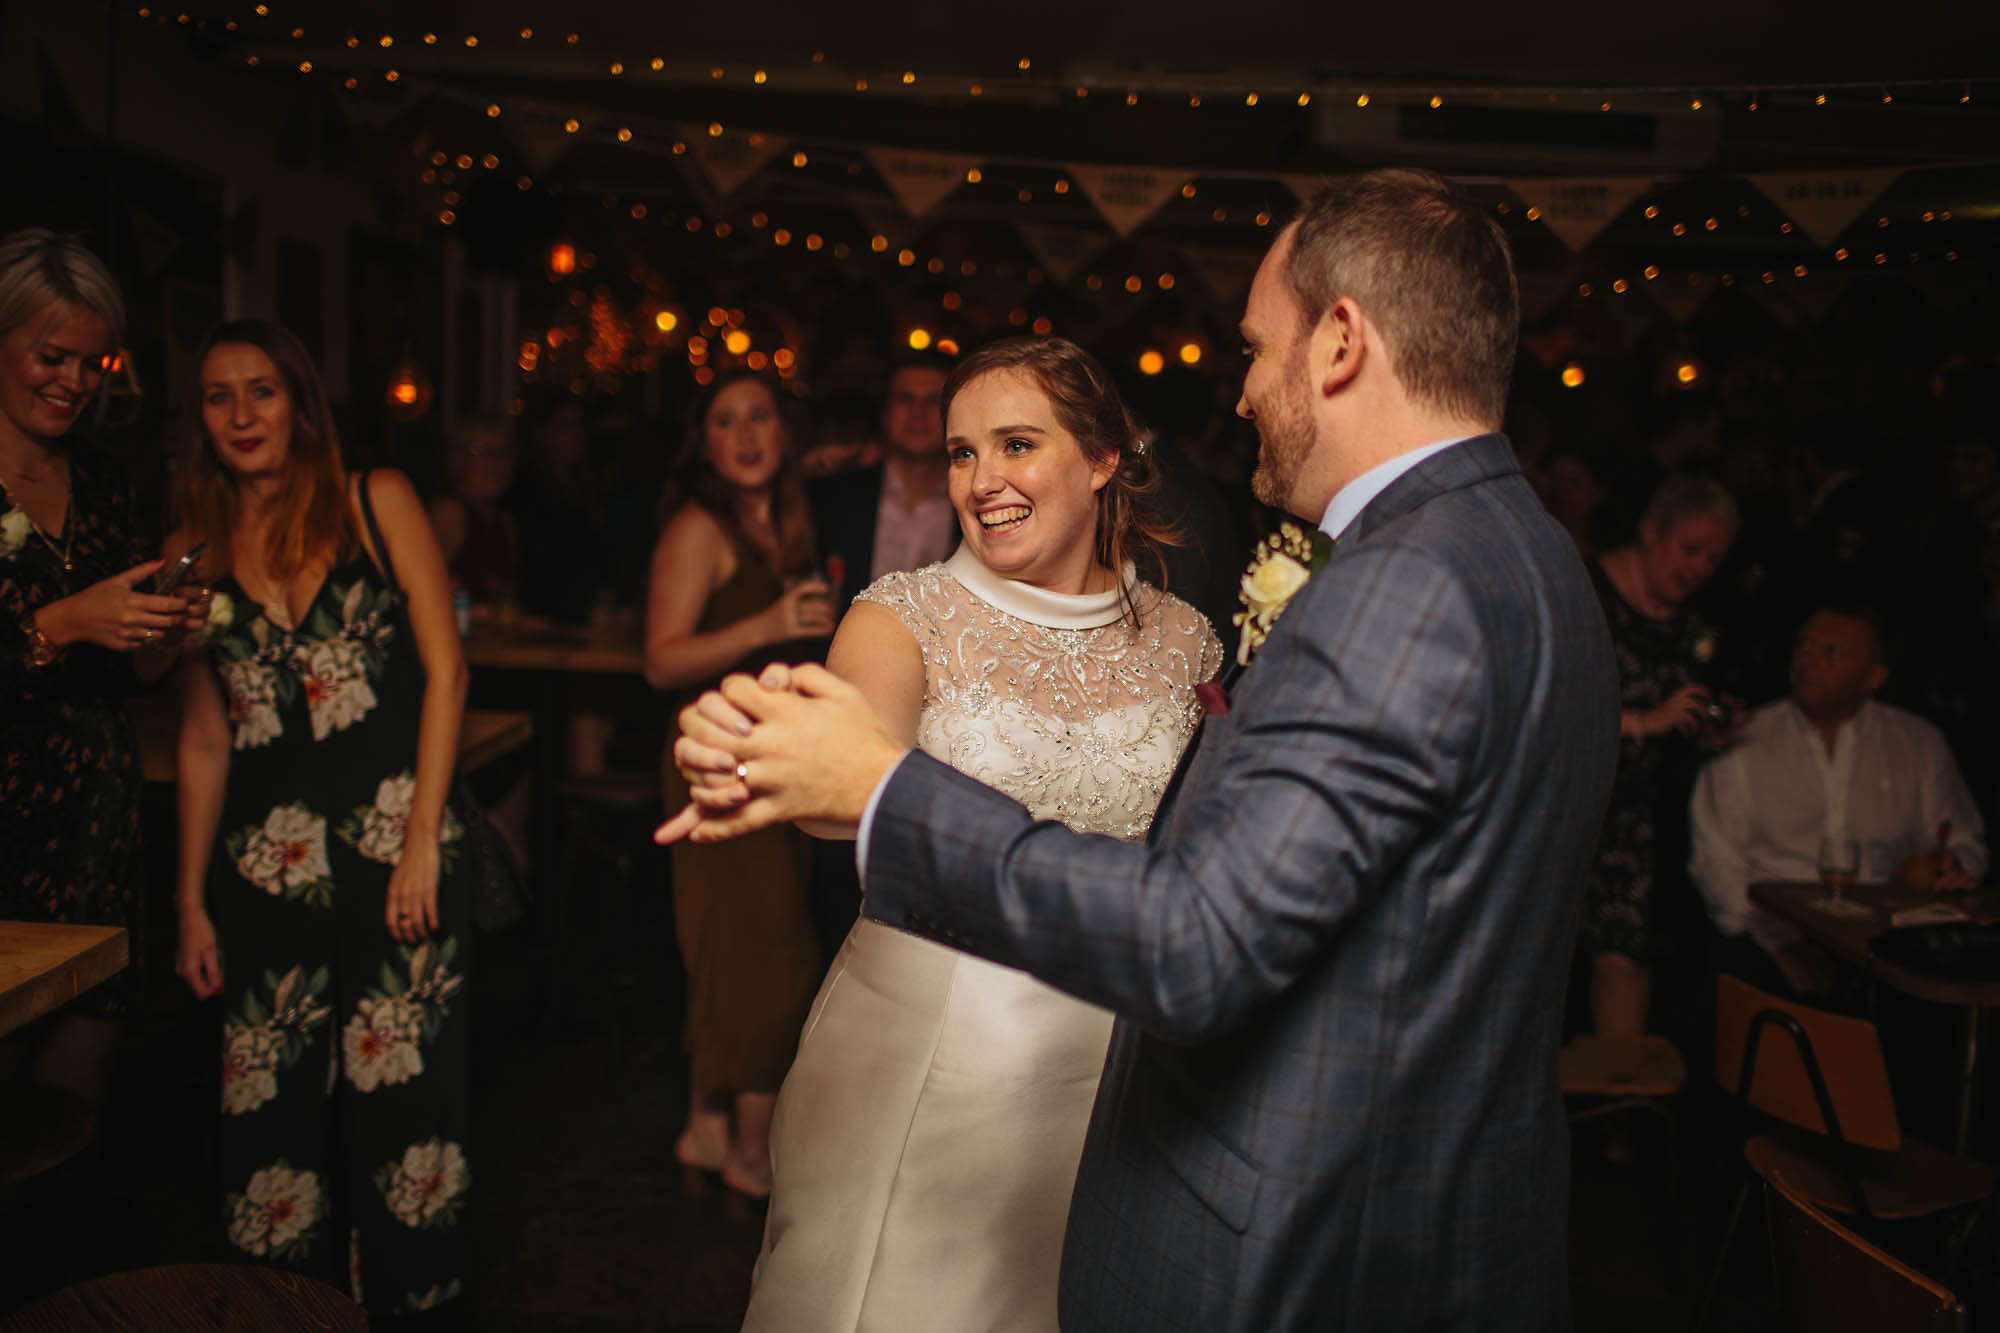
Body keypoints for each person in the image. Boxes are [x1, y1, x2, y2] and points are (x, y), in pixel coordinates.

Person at [665, 169, 1619, 1331]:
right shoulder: (1532, 554)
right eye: (963, 453)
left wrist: (879, 790)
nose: (1242, 390)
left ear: (1338, 343)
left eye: (1257, 349)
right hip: (1402, 1184)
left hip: (1321, 1210)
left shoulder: (1393, 590)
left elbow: (1202, 934)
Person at [741, 336, 1219, 1330]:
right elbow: (850, 783)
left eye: (1013, 444)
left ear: (1101, 459)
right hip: (921, 1059)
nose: (981, 480)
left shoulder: (1187, 641)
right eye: (962, 453)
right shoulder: (899, 615)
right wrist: (784, 758)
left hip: (1114, 1071)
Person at [171, 318, 473, 1318]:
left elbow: (446, 671)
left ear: (300, 405)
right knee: (267, 1138)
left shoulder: (372, 502)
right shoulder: (190, 550)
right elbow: (205, 736)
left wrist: (423, 837)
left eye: (262, 390)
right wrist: (189, 901)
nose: (242, 413)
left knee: (406, 1130)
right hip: (262, 874)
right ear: (200, 418)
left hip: (399, 854)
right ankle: (281, 1313)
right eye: (219, 395)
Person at [0, 228, 204, 1105]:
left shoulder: (101, 477)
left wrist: (162, 633)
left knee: (78, 1101)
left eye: (94, 364)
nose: (74, 383)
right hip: (4, 822)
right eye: (53, 356)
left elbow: (129, 675)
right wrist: (63, 620)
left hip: (95, 818)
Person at [643, 371, 834, 1200]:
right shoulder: (698, 526)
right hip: (716, 763)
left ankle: (708, 1126)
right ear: (704, 442)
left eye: (759, 416)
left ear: (785, 431)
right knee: (773, 957)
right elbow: (660, 659)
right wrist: (769, 623)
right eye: (725, 421)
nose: (747, 434)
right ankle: (752, 1159)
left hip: (772, 761)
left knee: (731, 948)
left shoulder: (780, 520)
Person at [1690, 605, 1987, 995]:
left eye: (1831, 652)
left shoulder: (1917, 744)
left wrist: (1956, 867)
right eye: (1804, 646)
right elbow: (1715, 860)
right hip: (1768, 937)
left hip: (1884, 944)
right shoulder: (1749, 738)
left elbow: (1965, 840)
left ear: (1873, 677)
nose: (1807, 661)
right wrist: (1780, 945)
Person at [1581, 475, 1738, 1042]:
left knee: (1632, 964)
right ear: (1651, 532)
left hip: (1651, 821)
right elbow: (1545, 710)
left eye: (1712, 560)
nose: (1698, 568)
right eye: (1689, 549)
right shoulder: (1584, 594)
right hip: (1576, 807)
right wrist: (1646, 722)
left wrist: (1706, 728)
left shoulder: (1691, 623)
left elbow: (1684, 707)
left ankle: (1622, 1118)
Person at [426, 415, 519, 612]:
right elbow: (424, 595)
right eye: (482, 451)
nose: (495, 463)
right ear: (457, 459)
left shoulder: (502, 519)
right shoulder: (449, 513)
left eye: (503, 453)